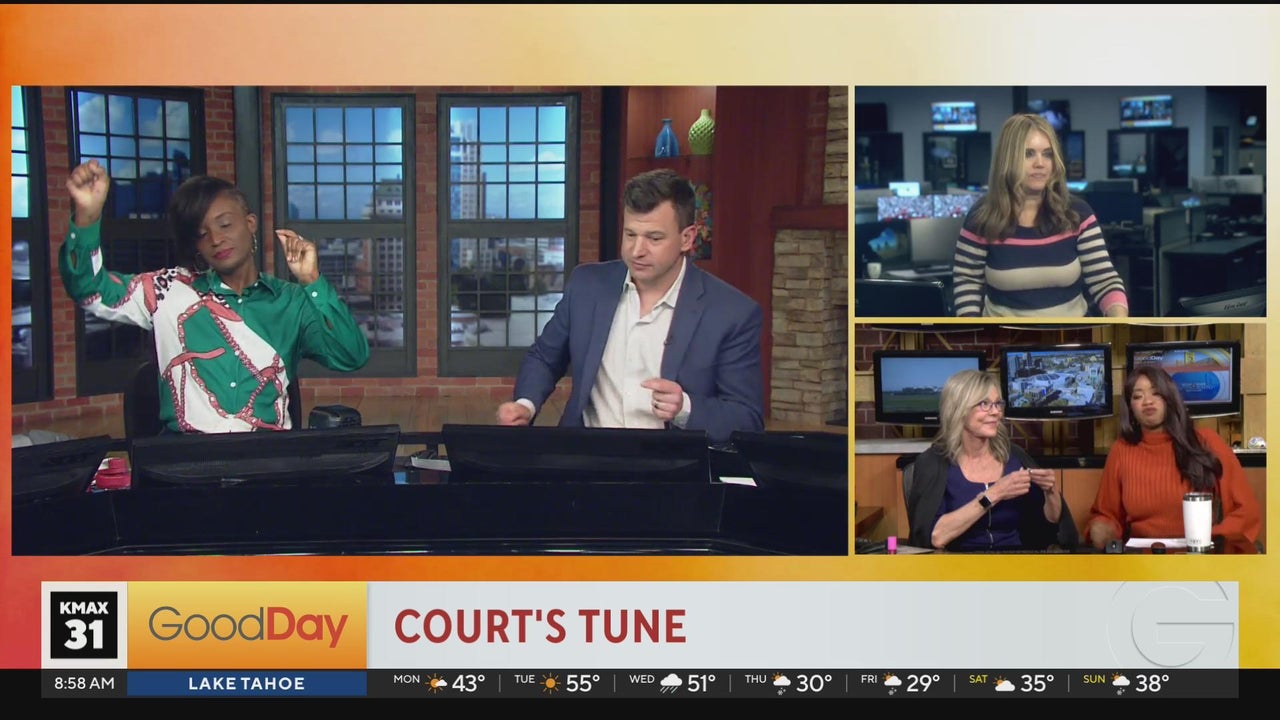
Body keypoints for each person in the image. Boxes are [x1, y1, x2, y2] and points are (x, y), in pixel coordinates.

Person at [60, 160, 370, 433]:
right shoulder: (168, 289)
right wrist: (87, 217)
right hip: (185, 463)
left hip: (269, 459)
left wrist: (312, 281)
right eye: (202, 233)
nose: (216, 239)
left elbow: (351, 355)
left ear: (250, 224)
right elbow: (90, 289)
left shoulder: (291, 301)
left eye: (225, 224)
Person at [495, 168, 764, 444]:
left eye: (654, 238)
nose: (637, 251)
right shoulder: (587, 285)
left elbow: (747, 419)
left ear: (687, 238)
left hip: (672, 464)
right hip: (585, 456)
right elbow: (544, 357)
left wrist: (685, 408)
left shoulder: (732, 313)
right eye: (630, 235)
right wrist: (525, 405)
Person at [952, 113, 1129, 318]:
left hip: (1071, 334)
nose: (1040, 163)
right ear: (1008, 159)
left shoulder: (1077, 213)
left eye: (1047, 154)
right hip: (1003, 334)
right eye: (1028, 154)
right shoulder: (982, 217)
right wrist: (973, 329)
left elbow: (1104, 280)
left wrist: (1118, 319)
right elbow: (967, 280)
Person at [1084, 365, 1261, 549]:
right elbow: (1106, 515)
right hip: (1142, 560)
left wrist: (1210, 540)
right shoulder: (1121, 450)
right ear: (1130, 408)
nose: (1148, 401)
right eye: (1138, 396)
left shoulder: (1206, 441)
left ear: (1170, 398)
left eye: (1156, 393)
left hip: (1199, 557)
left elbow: (1246, 512)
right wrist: (1101, 530)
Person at [906, 369, 1077, 551]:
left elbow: (1048, 528)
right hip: (958, 562)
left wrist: (1051, 492)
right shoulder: (934, 463)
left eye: (997, 404)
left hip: (1015, 560)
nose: (996, 412)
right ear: (959, 410)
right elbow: (935, 536)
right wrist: (994, 494)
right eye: (984, 404)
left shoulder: (1015, 456)